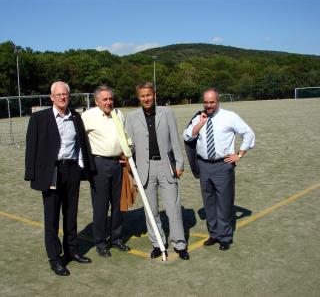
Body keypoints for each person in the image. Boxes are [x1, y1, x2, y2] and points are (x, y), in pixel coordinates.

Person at [25, 81, 95, 276]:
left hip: (72, 170)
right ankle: (55, 258)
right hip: (52, 173)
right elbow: (31, 148)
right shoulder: (39, 118)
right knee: (52, 218)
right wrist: (31, 174)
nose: (62, 97)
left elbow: (82, 144)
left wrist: (86, 169)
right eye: (59, 95)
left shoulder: (75, 117)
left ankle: (72, 251)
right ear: (51, 97)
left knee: (71, 215)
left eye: (65, 94)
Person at [183, 88, 255, 251]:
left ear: (218, 101)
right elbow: (187, 136)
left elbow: (248, 133)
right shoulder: (198, 117)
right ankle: (214, 234)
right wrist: (200, 124)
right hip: (204, 165)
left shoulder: (230, 116)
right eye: (206, 102)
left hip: (223, 165)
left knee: (224, 202)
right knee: (209, 202)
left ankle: (225, 237)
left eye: (212, 102)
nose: (208, 105)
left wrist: (239, 154)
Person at [125, 82, 189, 260]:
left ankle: (179, 244)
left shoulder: (167, 113)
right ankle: (158, 243)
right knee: (150, 210)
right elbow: (131, 146)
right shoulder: (131, 117)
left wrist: (179, 163)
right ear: (138, 98)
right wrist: (131, 167)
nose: (146, 99)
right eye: (142, 96)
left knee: (173, 208)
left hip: (166, 166)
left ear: (154, 95)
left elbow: (175, 140)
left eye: (148, 95)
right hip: (144, 169)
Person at [81, 85, 131, 258]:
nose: (109, 102)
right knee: (101, 206)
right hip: (99, 165)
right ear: (96, 101)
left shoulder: (118, 114)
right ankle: (100, 242)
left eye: (110, 99)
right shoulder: (88, 116)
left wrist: (128, 149)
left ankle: (116, 238)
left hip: (118, 164)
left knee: (118, 204)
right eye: (105, 99)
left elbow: (124, 136)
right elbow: (79, 139)